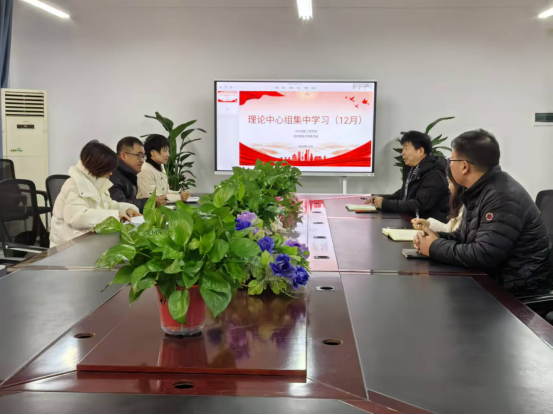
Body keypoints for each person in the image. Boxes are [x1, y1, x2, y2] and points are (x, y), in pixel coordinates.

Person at [415, 130, 553, 297]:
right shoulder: (480, 188)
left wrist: (434, 247)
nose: (448, 164)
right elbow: (465, 237)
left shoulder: (501, 197)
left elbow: (484, 255)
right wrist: (435, 237)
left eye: (451, 160)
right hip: (494, 278)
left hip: (516, 289)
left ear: (464, 166)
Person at [50, 141, 141, 247]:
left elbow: (108, 205)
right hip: (68, 247)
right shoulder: (74, 185)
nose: (111, 173)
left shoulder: (97, 182)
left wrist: (128, 209)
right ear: (98, 167)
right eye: (108, 169)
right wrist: (115, 215)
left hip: (89, 241)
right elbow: (77, 217)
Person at [366, 131, 450, 223]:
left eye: (406, 149)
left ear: (420, 151)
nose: (402, 153)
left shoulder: (434, 173)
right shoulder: (413, 168)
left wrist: (385, 204)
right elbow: (403, 194)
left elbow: (419, 205)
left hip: (428, 226)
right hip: (411, 220)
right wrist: (380, 198)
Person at [110, 137, 168, 213]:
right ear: (124, 155)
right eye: (139, 155)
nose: (142, 160)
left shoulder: (129, 174)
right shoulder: (113, 176)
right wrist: (152, 202)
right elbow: (122, 206)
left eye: (143, 156)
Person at [137, 134, 191, 204]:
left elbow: (165, 191)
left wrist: (180, 193)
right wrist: (179, 197)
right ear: (153, 153)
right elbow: (154, 197)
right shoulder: (145, 170)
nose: (168, 154)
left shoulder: (160, 166)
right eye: (165, 151)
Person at [411, 166, 464, 233]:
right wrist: (428, 225)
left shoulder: (468, 207)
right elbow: (449, 230)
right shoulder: (460, 204)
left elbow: (456, 236)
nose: (449, 187)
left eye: (450, 182)